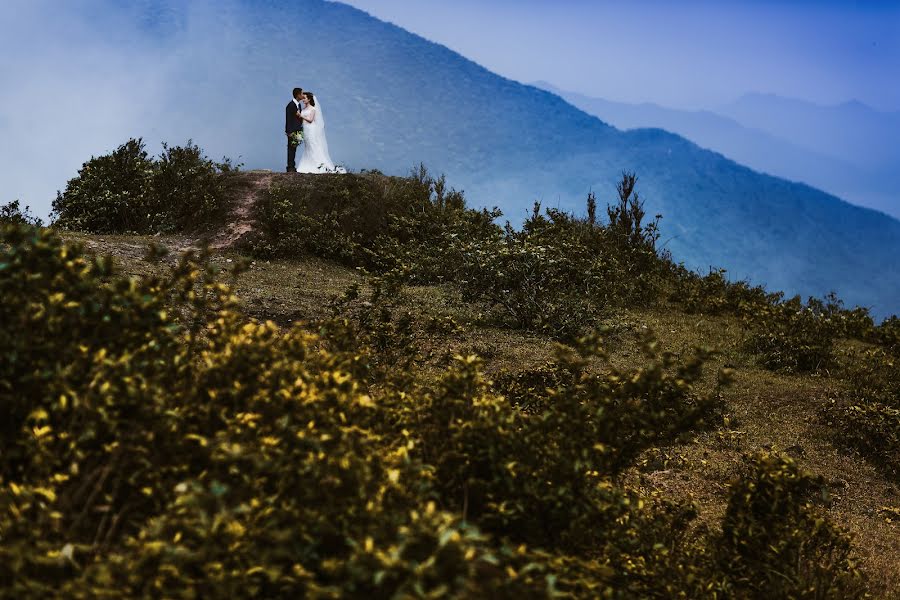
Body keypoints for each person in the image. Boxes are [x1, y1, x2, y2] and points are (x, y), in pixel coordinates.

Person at [296, 91, 345, 174]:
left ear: (309, 99)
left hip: (311, 130)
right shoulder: (303, 109)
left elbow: (311, 120)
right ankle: (307, 164)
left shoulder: (313, 109)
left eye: (304, 98)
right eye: (303, 98)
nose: (303, 100)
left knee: (313, 145)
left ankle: (319, 165)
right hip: (305, 130)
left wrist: (301, 116)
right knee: (308, 147)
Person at [285, 87, 304, 172]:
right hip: (292, 130)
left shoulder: (298, 105)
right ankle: (290, 167)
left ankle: (292, 166)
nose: (303, 95)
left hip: (297, 130)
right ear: (298, 95)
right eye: (302, 94)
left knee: (294, 148)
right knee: (291, 148)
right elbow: (288, 119)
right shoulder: (290, 105)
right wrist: (288, 131)